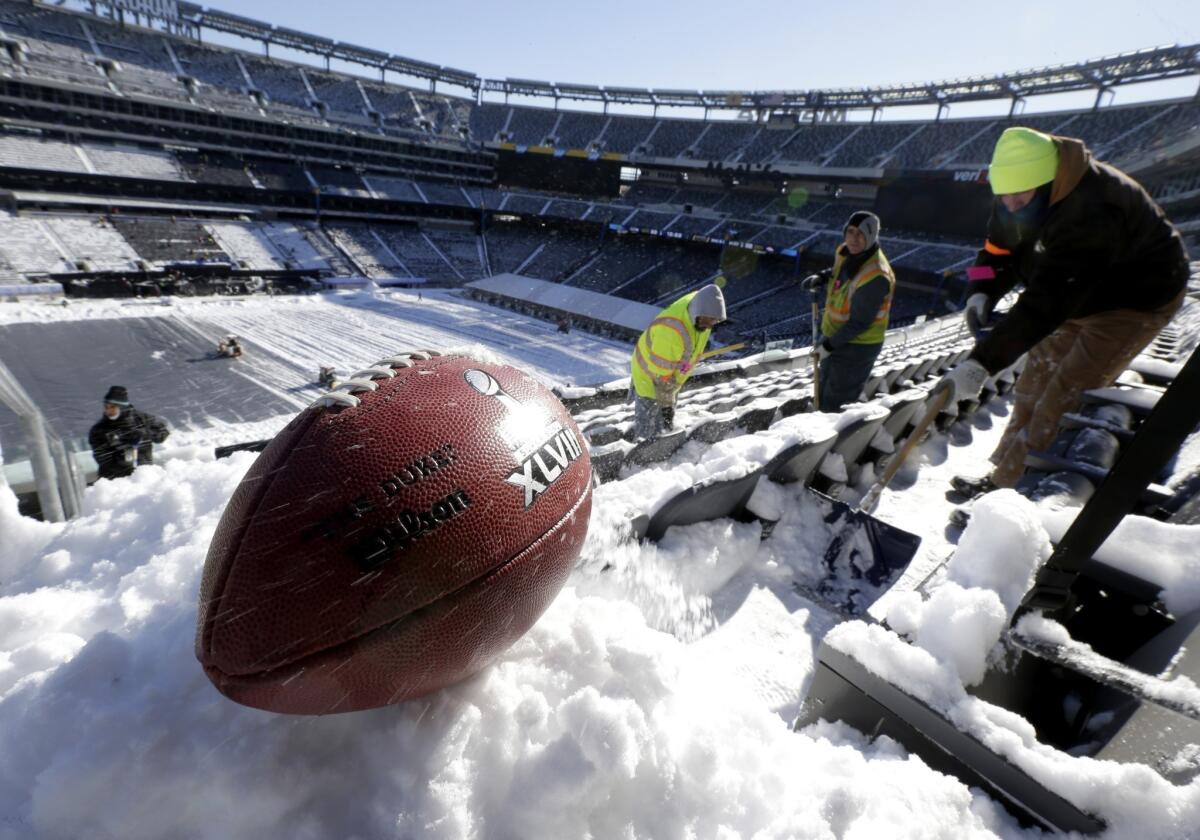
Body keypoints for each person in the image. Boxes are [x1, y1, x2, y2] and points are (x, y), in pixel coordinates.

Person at [937, 126, 1189, 497]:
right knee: (1032, 385)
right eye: (1003, 198)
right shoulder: (1015, 192)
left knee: (1063, 395)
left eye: (1019, 199)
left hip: (1132, 302)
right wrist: (980, 291)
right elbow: (992, 253)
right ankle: (1001, 479)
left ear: (1049, 182)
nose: (1010, 206)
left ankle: (1013, 495)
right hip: (1075, 292)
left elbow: (1048, 301)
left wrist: (982, 362)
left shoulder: (1097, 208)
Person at [801, 211, 896, 411]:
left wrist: (828, 346)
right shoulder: (846, 251)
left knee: (836, 403)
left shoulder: (876, 275)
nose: (853, 238)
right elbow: (839, 273)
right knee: (822, 387)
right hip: (835, 337)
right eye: (850, 231)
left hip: (856, 348)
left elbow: (859, 323)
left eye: (860, 233)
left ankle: (827, 437)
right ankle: (818, 415)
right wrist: (822, 276)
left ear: (871, 236)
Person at [629, 283, 726, 440]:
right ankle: (642, 450)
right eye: (707, 321)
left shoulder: (702, 309)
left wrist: (671, 396)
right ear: (697, 313)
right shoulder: (670, 333)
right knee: (648, 420)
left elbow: (688, 355)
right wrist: (667, 409)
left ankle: (662, 434)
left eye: (713, 322)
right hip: (649, 373)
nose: (709, 326)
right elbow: (660, 378)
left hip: (669, 371)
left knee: (665, 414)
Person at [88, 386, 169, 481]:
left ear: (122, 407)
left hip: (145, 477)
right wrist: (123, 448)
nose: (108, 410)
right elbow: (103, 459)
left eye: (113, 407)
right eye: (106, 407)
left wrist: (145, 434)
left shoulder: (142, 418)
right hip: (115, 483)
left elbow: (162, 433)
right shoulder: (99, 430)